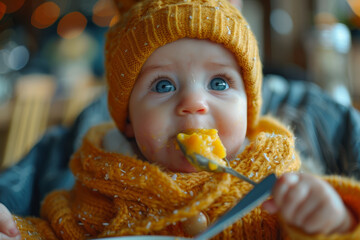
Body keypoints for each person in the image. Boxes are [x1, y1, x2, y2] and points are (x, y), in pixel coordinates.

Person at [1, 0, 360, 239]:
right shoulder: (100, 186)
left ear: (250, 113)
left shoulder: (279, 185)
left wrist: (334, 222)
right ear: (127, 121)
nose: (193, 103)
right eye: (163, 85)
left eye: (219, 83)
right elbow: (52, 232)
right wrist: (16, 231)